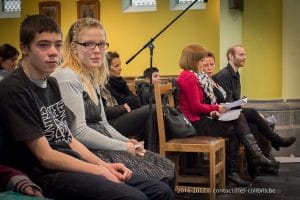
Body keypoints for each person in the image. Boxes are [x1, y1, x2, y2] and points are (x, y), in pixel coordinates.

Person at [0, 14, 173, 200]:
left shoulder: (50, 83)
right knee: (134, 197)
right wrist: (99, 170)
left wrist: (103, 165)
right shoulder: (15, 89)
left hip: (73, 160)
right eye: (43, 45)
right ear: (24, 48)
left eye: (57, 45)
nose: (53, 52)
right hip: (46, 173)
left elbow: (68, 137)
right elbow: (46, 156)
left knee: (161, 192)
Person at [51, 18, 175, 190]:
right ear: (74, 48)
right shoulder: (67, 76)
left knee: (164, 164)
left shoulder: (91, 76)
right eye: (89, 44)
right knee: (159, 185)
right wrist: (123, 146)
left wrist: (129, 143)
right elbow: (78, 132)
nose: (97, 50)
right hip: (88, 150)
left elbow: (103, 124)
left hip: (102, 142)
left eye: (101, 44)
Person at [176, 44, 276, 187]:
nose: (204, 63)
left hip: (199, 119)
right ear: (193, 60)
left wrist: (213, 110)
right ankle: (246, 163)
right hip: (195, 124)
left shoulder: (188, 75)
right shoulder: (189, 77)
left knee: (238, 120)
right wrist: (217, 108)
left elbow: (196, 105)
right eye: (201, 60)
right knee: (236, 123)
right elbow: (195, 106)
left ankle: (241, 167)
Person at [213, 45, 296, 159]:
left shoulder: (235, 74)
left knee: (255, 125)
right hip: (225, 115)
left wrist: (242, 104)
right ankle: (276, 140)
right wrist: (243, 106)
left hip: (234, 113)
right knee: (253, 113)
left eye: (245, 54)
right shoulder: (224, 75)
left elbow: (234, 100)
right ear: (231, 57)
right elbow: (227, 103)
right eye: (241, 54)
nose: (245, 57)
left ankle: (259, 165)